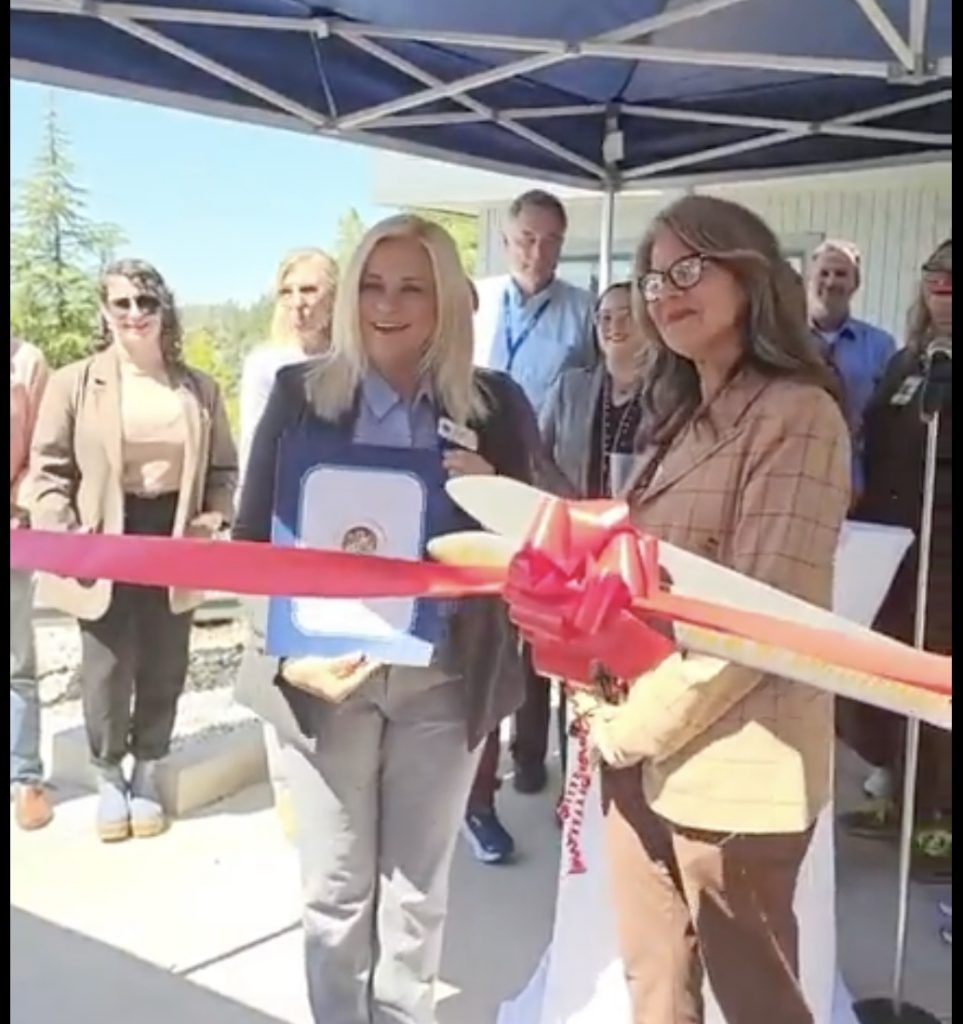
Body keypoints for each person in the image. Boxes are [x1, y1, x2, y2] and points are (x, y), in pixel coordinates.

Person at [524, 195, 851, 1024]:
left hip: (738, 770)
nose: (663, 291)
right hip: (640, 754)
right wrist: (577, 653)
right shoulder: (681, 415)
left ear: (750, 276)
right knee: (655, 990)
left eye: (688, 269)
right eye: (650, 276)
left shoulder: (797, 415)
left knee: (759, 1006)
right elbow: (637, 588)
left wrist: (625, 730)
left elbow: (756, 624)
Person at [233, 214, 533, 1024]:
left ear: (446, 301)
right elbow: (250, 541)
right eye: (371, 283)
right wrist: (285, 658)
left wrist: (496, 491)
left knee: (416, 892)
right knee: (334, 894)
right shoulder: (301, 394)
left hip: (442, 679)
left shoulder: (496, 405)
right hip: (323, 678)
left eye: (412, 286)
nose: (387, 304)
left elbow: (541, 543)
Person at [30, 259, 237, 842]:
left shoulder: (199, 388)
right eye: (121, 304)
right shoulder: (74, 383)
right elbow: (48, 470)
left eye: (146, 303)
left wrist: (213, 515)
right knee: (107, 667)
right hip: (103, 535)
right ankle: (107, 776)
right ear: (105, 311)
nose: (134, 315)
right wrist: (62, 532)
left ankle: (148, 767)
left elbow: (225, 467)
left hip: (172, 535)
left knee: (167, 659)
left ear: (162, 309)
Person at [469, 190, 596, 860]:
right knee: (487, 631)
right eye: (524, 237)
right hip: (478, 487)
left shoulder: (582, 311)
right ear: (506, 237)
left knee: (541, 630)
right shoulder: (481, 301)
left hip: (546, 488)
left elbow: (589, 400)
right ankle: (478, 786)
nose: (534, 250)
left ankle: (530, 753)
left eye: (548, 240)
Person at [838, 239, 952, 883]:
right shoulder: (908, 359)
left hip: (946, 554)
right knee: (886, 682)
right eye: (936, 274)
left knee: (935, 685)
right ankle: (905, 798)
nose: (945, 287)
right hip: (892, 547)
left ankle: (940, 818)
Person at [237, 247, 339, 842]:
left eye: (311, 291)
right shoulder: (264, 365)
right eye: (289, 292)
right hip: (282, 530)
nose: (300, 304)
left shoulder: (353, 361)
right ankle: (286, 788)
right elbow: (256, 454)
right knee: (278, 656)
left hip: (339, 534)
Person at [806, 238, 896, 505]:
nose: (831, 282)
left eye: (841, 274)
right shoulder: (785, 341)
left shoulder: (880, 345)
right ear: (810, 280)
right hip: (796, 472)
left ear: (855, 284)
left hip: (858, 481)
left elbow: (889, 420)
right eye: (824, 273)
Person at [540, 281, 649, 499]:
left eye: (627, 316)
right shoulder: (568, 388)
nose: (615, 326)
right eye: (605, 318)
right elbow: (537, 456)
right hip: (575, 519)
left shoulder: (670, 392)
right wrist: (570, 503)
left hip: (644, 524)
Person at [10, 333, 53, 831]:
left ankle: (25, 778)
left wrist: (21, 506)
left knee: (16, 661)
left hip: (11, 527)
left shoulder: (27, 362)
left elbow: (41, 452)